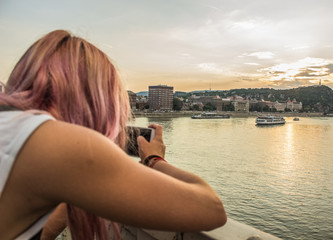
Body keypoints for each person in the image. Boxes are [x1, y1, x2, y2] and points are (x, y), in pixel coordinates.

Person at [0, 30, 226, 240]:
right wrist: (154, 159)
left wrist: (82, 186)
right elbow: (212, 210)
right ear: (94, 98)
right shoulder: (59, 143)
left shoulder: (12, 126)